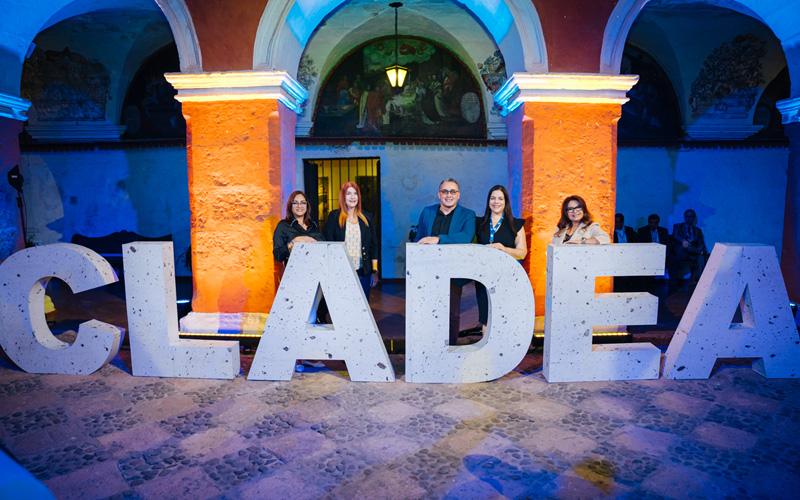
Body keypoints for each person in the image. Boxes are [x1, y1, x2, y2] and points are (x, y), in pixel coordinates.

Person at [415, 178, 476, 345]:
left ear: (458, 195)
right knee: (426, 312)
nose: (449, 195)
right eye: (445, 191)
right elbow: (419, 238)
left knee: (451, 314)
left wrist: (438, 239)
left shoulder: (467, 215)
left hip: (452, 274)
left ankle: (448, 349)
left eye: (453, 192)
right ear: (439, 194)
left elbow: (466, 237)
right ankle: (428, 348)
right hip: (427, 273)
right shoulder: (427, 212)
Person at [473, 185, 527, 332]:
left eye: (500, 198)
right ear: (488, 201)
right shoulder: (478, 223)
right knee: (485, 315)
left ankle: (505, 350)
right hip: (483, 277)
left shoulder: (516, 224)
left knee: (503, 314)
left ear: (506, 202)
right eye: (493, 198)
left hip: (506, 277)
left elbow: (522, 253)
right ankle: (487, 348)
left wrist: (504, 249)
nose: (496, 201)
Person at [323, 181, 379, 299]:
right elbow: (328, 245)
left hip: (363, 272)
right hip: (341, 272)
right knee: (344, 305)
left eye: (355, 193)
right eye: (348, 193)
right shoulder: (334, 217)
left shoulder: (367, 218)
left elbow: (374, 245)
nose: (353, 197)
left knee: (362, 305)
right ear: (343, 197)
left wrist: (375, 270)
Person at [272, 190, 323, 265]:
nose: (299, 206)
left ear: (307, 205)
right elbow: (277, 255)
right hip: (294, 272)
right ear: (290, 206)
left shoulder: (313, 225)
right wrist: (291, 244)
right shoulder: (283, 226)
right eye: (295, 203)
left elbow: (324, 248)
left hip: (315, 270)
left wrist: (312, 241)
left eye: (303, 203)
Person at [670, 208, 707, 290]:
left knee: (701, 256)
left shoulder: (698, 230)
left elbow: (701, 243)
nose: (689, 218)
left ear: (694, 218)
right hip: (681, 251)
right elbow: (675, 236)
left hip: (693, 253)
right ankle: (696, 251)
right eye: (687, 216)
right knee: (684, 247)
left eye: (691, 216)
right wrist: (683, 241)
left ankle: (699, 282)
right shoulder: (677, 226)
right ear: (685, 217)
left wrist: (701, 250)